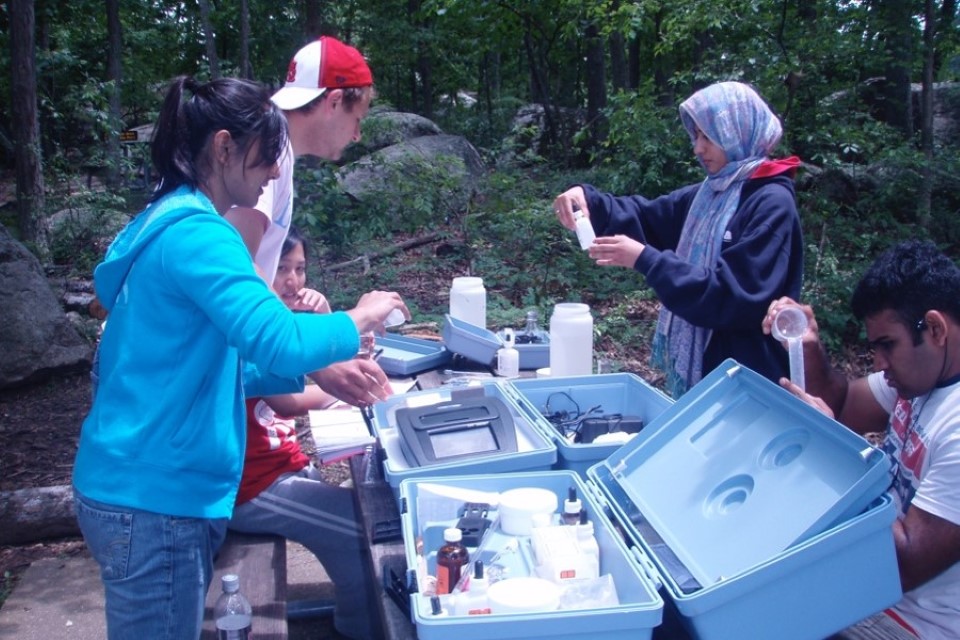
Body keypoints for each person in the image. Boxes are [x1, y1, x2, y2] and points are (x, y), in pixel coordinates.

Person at [72, 75, 407, 639]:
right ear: (223, 147)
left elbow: (225, 355)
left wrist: (316, 371)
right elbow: (275, 337)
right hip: (154, 496)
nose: (276, 173)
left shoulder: (166, 220)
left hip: (146, 483)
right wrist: (361, 317)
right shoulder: (200, 236)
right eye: (264, 159)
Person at [553, 81, 803, 397]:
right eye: (695, 136)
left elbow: (731, 297)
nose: (698, 148)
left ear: (735, 132)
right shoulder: (710, 195)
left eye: (707, 137)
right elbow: (647, 216)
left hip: (750, 382)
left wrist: (645, 259)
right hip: (711, 373)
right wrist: (587, 199)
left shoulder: (770, 203)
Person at [764, 240, 960, 640]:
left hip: (909, 622)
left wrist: (829, 452)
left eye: (887, 345)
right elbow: (845, 405)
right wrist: (808, 346)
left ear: (936, 328)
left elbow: (900, 563)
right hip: (862, 585)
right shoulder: (922, 380)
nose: (880, 364)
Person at [230, 227, 381, 639]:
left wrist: (325, 316)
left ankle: (361, 611)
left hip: (282, 468)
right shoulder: (253, 331)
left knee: (368, 502)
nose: (292, 281)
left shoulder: (283, 322)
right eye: (280, 268)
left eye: (299, 269)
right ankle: (358, 626)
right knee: (361, 526)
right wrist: (337, 396)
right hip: (251, 488)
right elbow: (285, 401)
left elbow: (342, 362)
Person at [226, 35, 389, 407]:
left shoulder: (275, 148)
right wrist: (316, 361)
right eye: (357, 118)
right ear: (333, 101)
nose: (357, 134)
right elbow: (236, 266)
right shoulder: (270, 155)